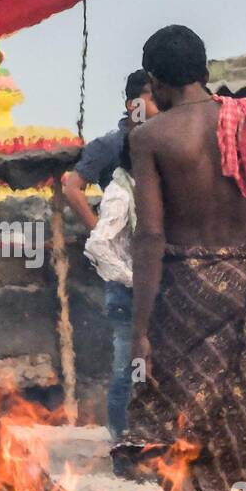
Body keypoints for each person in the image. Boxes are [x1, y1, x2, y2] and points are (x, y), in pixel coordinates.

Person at [114, 24, 246, 491]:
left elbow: (149, 236)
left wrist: (141, 330)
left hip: (182, 290)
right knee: (236, 421)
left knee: (154, 417)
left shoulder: (149, 137)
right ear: (205, 70)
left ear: (155, 80)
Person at [63, 70, 158, 438]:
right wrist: (103, 233)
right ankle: (122, 441)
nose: (156, 105)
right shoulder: (112, 145)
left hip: (152, 275)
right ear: (132, 103)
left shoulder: (162, 140)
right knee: (127, 364)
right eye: (150, 97)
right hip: (126, 275)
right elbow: (72, 188)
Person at [82, 138, 138, 438]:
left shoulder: (143, 187)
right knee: (125, 372)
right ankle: (120, 440)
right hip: (127, 293)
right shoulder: (120, 193)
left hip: (148, 292)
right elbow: (97, 245)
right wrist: (130, 277)